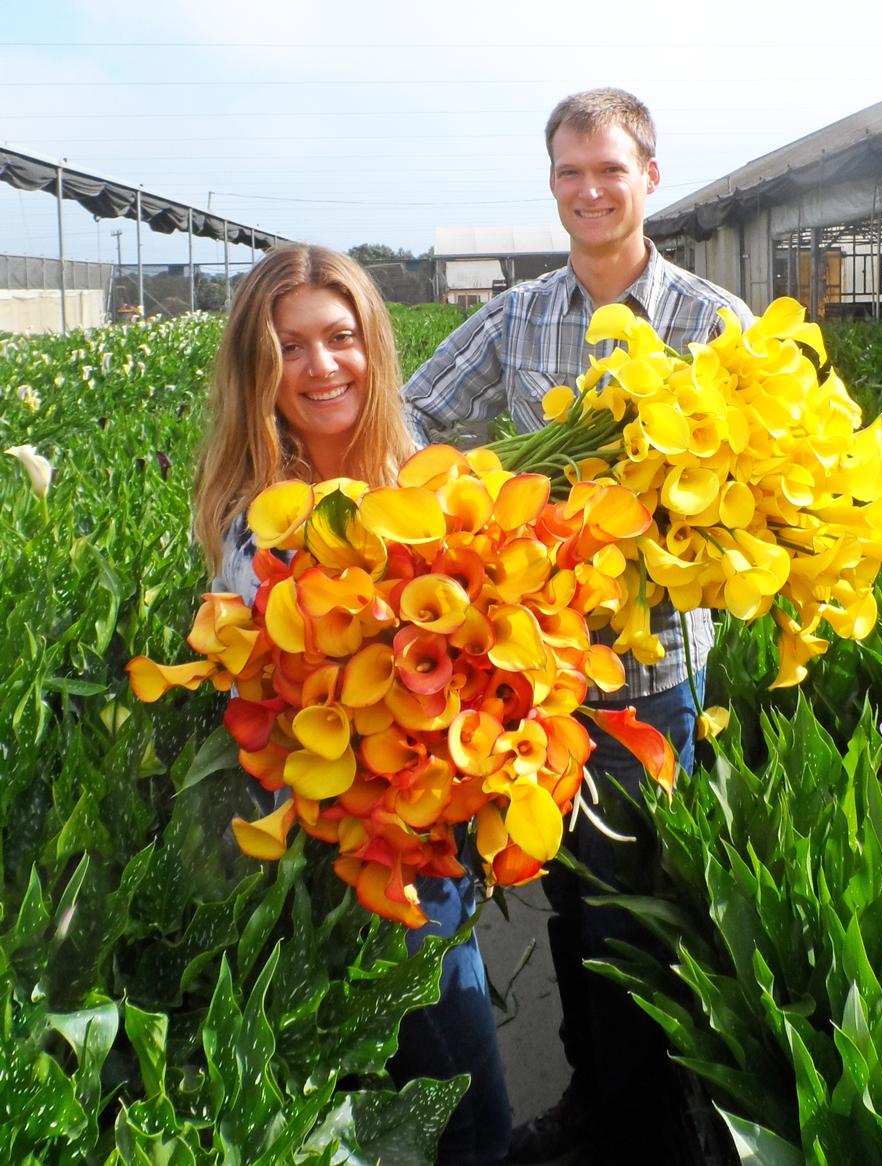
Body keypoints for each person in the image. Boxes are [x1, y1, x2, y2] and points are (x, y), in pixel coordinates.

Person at [404, 89, 755, 1163]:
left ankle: (647, 1122)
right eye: (569, 172)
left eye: (608, 169)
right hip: (537, 673)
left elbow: (762, 470)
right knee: (558, 896)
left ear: (649, 175)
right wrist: (472, 499)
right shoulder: (517, 315)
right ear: (551, 183)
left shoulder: (711, 320)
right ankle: (594, 1102)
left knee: (635, 910)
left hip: (650, 670)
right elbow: (411, 413)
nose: (589, 190)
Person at [192, 243, 512, 1166]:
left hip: (429, 846)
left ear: (372, 343)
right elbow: (259, 697)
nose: (321, 366)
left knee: (454, 1100)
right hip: (342, 857)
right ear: (258, 368)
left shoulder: (430, 482)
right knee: (445, 1114)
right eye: (289, 348)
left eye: (340, 338)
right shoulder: (254, 519)